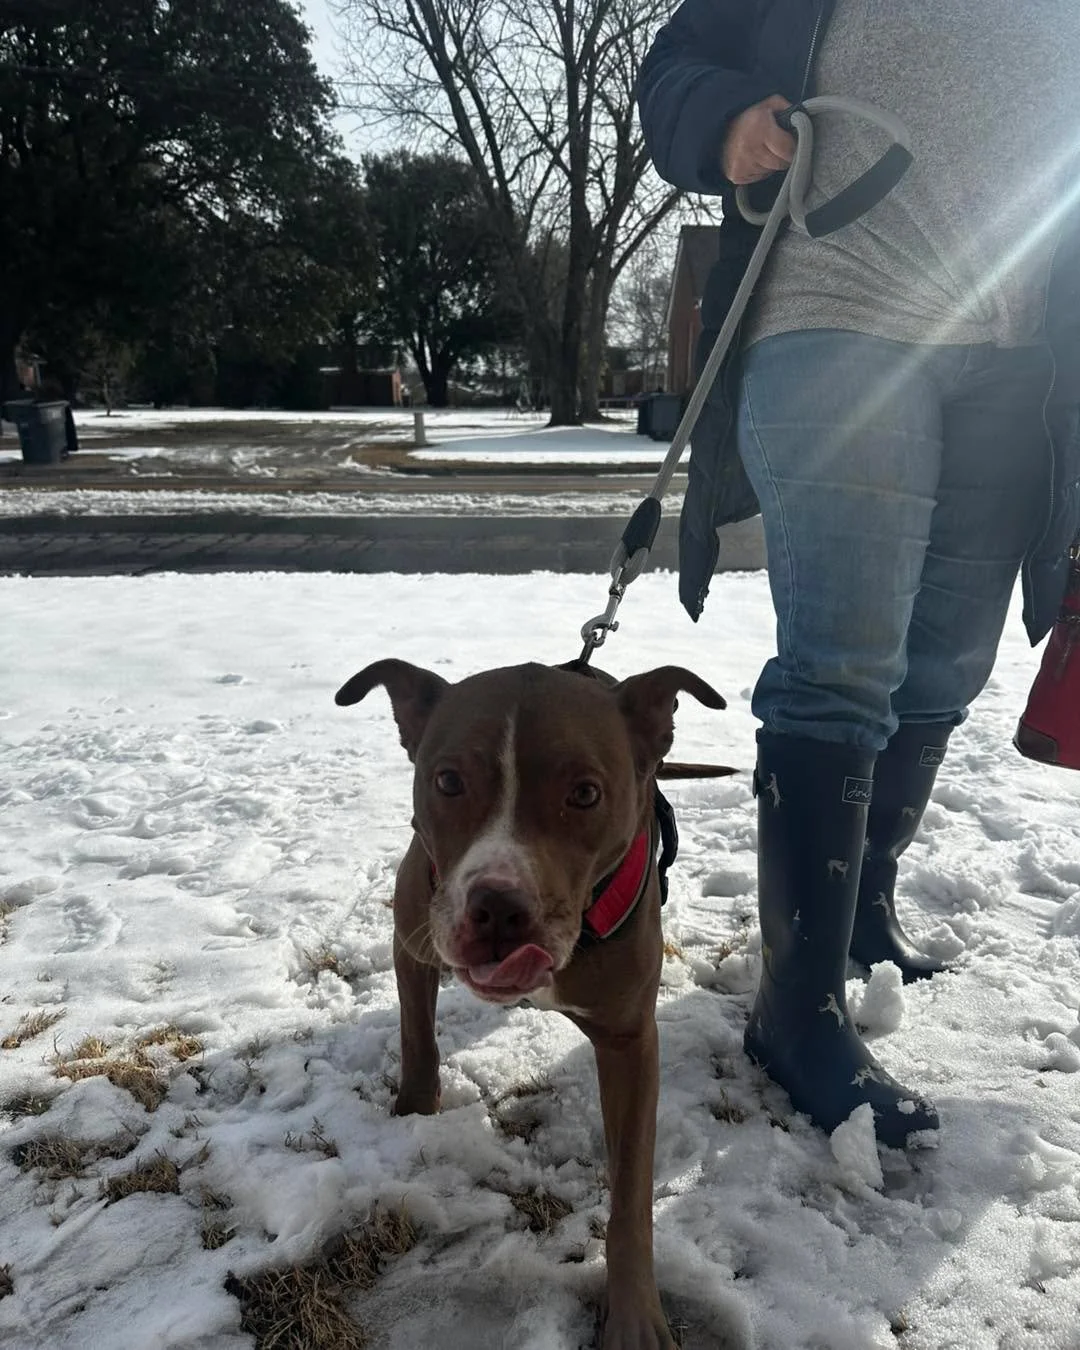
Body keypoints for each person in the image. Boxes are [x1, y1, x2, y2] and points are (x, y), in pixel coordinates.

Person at [637, 0, 1080, 1148]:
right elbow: (676, 61)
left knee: (945, 663)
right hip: (841, 311)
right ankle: (798, 1010)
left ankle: (860, 909)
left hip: (1023, 357)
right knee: (845, 664)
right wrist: (725, 115)